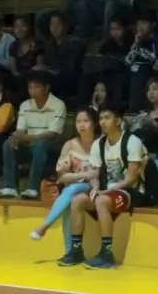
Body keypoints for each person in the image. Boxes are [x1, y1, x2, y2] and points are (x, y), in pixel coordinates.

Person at [59, 104, 147, 269]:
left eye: (107, 118)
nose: (103, 122)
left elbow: (131, 178)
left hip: (131, 191)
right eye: (101, 118)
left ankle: (107, 253)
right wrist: (96, 189)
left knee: (101, 201)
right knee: (77, 200)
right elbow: (94, 174)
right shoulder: (98, 144)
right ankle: (76, 250)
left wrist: (106, 192)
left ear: (118, 121)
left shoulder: (132, 141)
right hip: (108, 192)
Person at [31, 108, 100, 242]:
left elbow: (98, 173)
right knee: (70, 197)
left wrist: (89, 177)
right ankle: (70, 252)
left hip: (95, 187)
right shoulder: (70, 145)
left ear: (94, 123)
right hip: (72, 189)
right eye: (78, 121)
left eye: (86, 121)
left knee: (73, 189)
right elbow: (61, 176)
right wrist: (85, 174)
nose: (81, 124)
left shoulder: (101, 143)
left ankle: (45, 226)